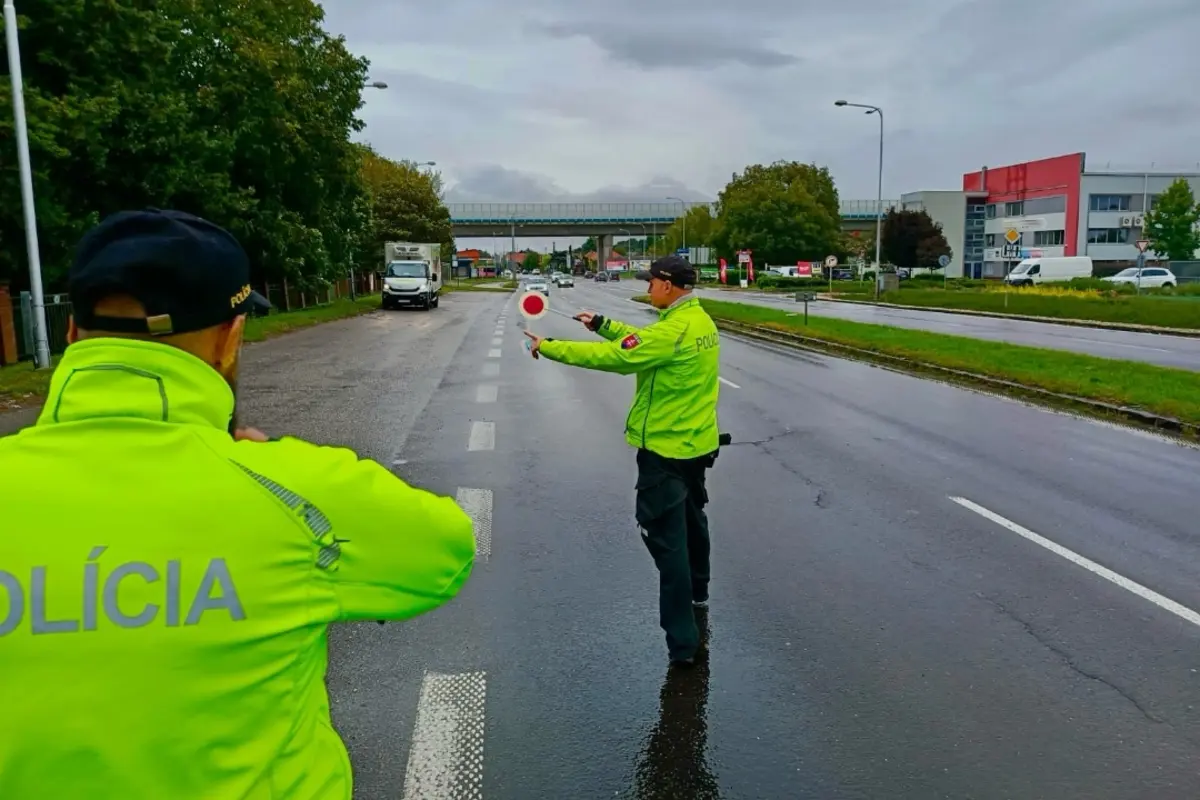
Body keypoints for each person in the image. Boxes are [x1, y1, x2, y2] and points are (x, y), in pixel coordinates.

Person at [0, 209, 477, 799]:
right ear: (230, 338)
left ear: (73, 333)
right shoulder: (294, 494)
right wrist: (277, 460)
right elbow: (445, 553)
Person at [524, 254, 721, 667]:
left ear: (667, 285)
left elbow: (616, 358)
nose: (648, 287)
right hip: (695, 448)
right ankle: (700, 594)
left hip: (664, 452)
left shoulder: (674, 330)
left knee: (668, 545)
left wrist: (551, 347)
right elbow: (639, 341)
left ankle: (683, 645)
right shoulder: (696, 322)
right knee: (693, 522)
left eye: (651, 281)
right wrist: (602, 325)